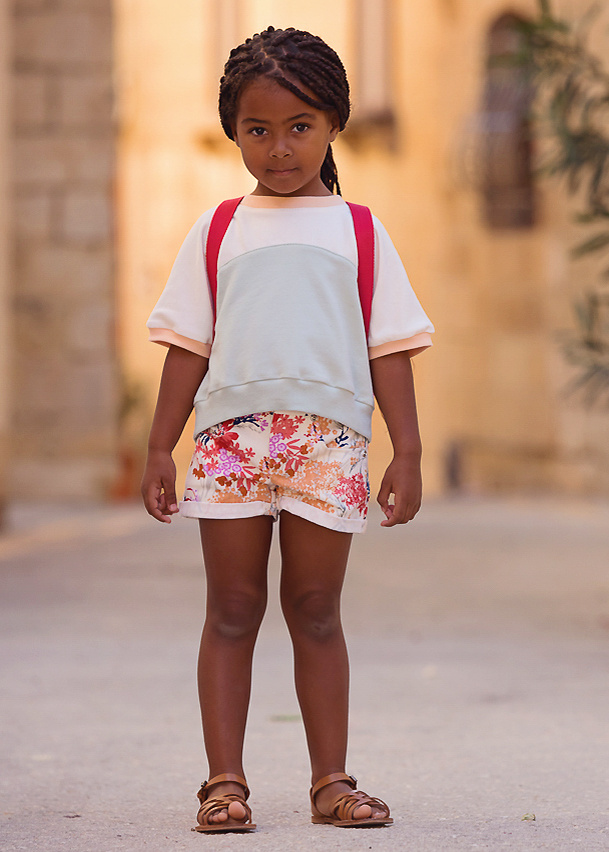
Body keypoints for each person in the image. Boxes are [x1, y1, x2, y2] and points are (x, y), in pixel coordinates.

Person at [141, 25, 434, 833]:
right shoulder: (217, 230)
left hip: (326, 447)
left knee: (314, 608)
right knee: (232, 607)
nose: (278, 148)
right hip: (231, 445)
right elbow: (188, 346)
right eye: (257, 129)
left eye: (299, 126)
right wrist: (159, 445)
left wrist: (406, 450)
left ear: (334, 122)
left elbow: (389, 349)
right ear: (233, 131)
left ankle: (331, 782)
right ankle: (223, 783)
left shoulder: (360, 231)